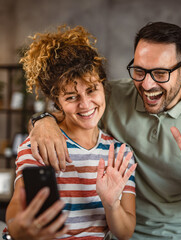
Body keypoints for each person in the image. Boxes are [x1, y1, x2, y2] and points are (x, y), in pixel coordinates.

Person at [27, 22, 181, 240]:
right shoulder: (111, 96)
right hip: (119, 232)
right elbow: (66, 111)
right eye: (139, 70)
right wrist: (43, 121)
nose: (146, 85)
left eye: (159, 73)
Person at [4, 25, 137, 240]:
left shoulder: (120, 154)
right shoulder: (39, 144)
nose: (86, 105)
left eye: (92, 89)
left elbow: (125, 232)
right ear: (57, 102)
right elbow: (17, 206)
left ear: (104, 86)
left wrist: (111, 204)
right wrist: (18, 228)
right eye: (71, 97)